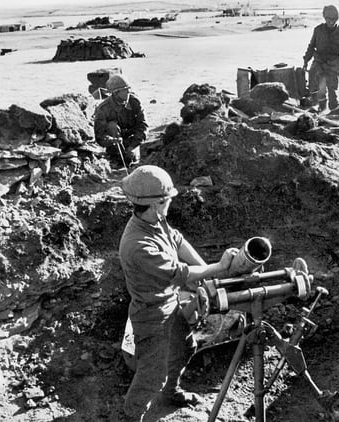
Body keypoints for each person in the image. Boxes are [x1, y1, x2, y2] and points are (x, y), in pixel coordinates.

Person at [118, 165, 237, 421]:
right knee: (153, 375)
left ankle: (171, 392)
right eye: (168, 200)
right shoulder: (137, 244)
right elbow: (177, 273)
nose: (170, 204)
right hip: (151, 316)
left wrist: (207, 270)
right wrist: (218, 267)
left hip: (170, 305)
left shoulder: (153, 220)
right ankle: (133, 414)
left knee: (185, 348)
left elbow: (177, 240)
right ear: (156, 204)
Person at [302, 5, 339, 111]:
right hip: (319, 60)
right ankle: (321, 108)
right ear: (324, 18)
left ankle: (333, 109)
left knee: (332, 88)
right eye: (328, 19)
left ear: (337, 19)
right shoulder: (318, 30)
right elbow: (311, 46)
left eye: (333, 19)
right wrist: (306, 61)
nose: (331, 22)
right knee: (320, 87)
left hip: (334, 62)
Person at [94, 74, 148, 169]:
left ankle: (131, 156)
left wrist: (133, 146)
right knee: (112, 126)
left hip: (133, 141)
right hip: (115, 144)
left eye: (128, 89)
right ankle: (115, 158)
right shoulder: (103, 109)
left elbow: (143, 126)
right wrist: (112, 140)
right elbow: (100, 136)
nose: (129, 92)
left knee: (133, 160)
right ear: (115, 93)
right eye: (125, 90)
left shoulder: (134, 102)